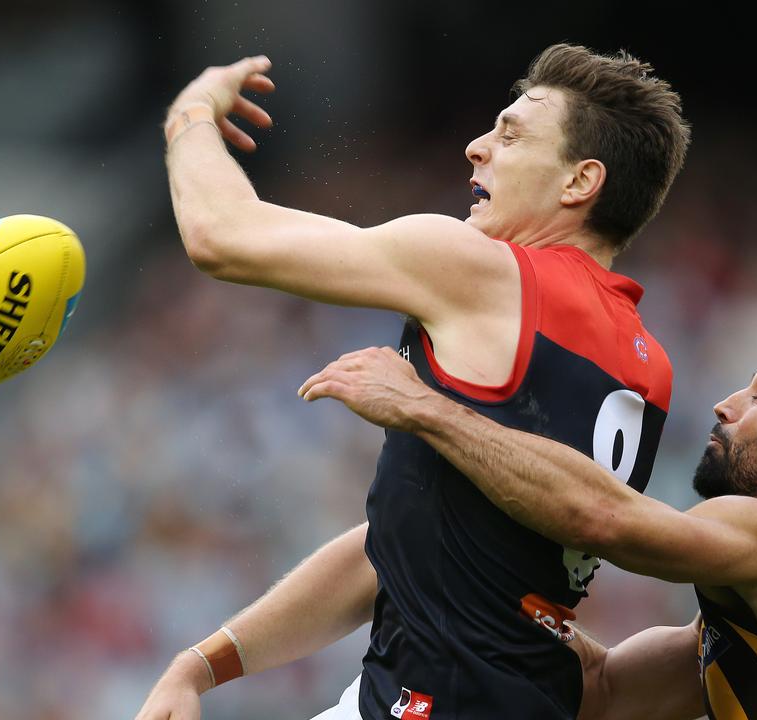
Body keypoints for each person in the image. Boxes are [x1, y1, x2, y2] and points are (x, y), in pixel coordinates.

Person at [137, 44, 690, 719]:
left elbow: (221, 236)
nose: (475, 148)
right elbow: (404, 545)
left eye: (511, 134)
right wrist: (201, 666)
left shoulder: (481, 269)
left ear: (579, 183)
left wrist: (190, 114)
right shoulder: (648, 367)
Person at [299, 331, 757, 719]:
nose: (726, 404)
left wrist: (423, 408)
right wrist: (484, 593)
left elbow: (606, 520)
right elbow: (603, 694)